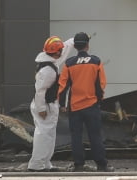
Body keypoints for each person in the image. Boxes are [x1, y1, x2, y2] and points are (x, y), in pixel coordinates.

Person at [58, 31, 109, 172]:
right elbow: (101, 84)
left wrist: (62, 104)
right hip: (92, 105)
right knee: (95, 136)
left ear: (75, 46)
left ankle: (79, 165)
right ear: (87, 45)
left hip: (75, 107)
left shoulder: (69, 63)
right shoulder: (96, 61)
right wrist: (99, 100)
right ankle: (101, 165)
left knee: (76, 137)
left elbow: (63, 86)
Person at [28, 36, 71, 171]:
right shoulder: (48, 71)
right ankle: (36, 164)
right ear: (56, 52)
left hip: (47, 104)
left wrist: (73, 41)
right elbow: (40, 91)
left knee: (48, 135)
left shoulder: (50, 62)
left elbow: (63, 51)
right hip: (45, 106)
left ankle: (45, 163)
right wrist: (41, 109)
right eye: (60, 50)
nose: (61, 52)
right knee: (44, 136)